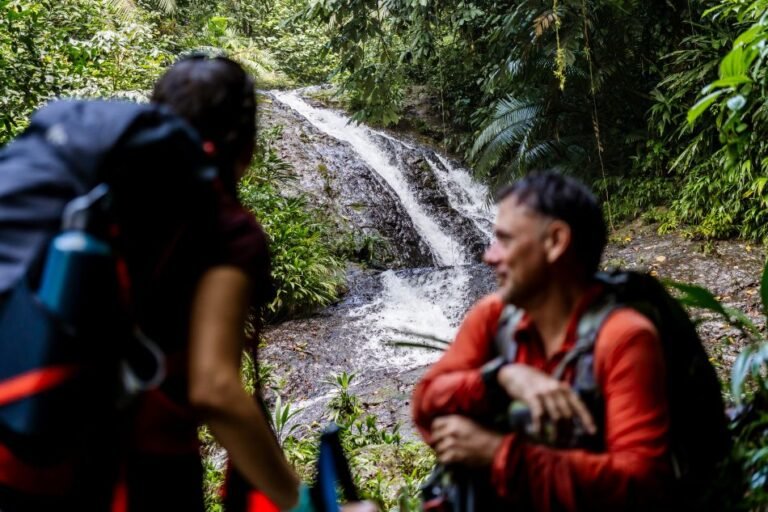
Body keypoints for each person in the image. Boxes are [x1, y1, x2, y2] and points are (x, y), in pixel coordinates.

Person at [120, 56, 375, 512]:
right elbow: (215, 387)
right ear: (248, 144)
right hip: (142, 469)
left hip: (32, 441)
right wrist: (302, 504)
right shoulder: (222, 227)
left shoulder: (108, 199)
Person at [412, 171, 671, 510]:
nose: (489, 256)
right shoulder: (493, 316)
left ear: (555, 242)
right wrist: (500, 378)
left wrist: (496, 453)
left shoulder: (624, 338)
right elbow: (426, 404)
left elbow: (639, 484)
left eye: (505, 241)